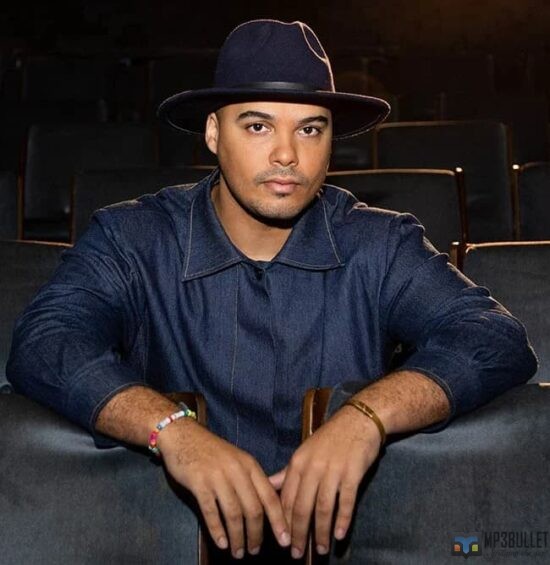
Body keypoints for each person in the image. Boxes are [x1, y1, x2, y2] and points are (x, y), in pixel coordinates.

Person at [7, 19, 536, 562]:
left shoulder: (379, 244)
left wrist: (368, 416)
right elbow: (46, 342)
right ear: (214, 134)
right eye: (258, 126)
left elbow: (494, 339)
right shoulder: (134, 239)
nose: (287, 154)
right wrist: (171, 430)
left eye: (310, 129)